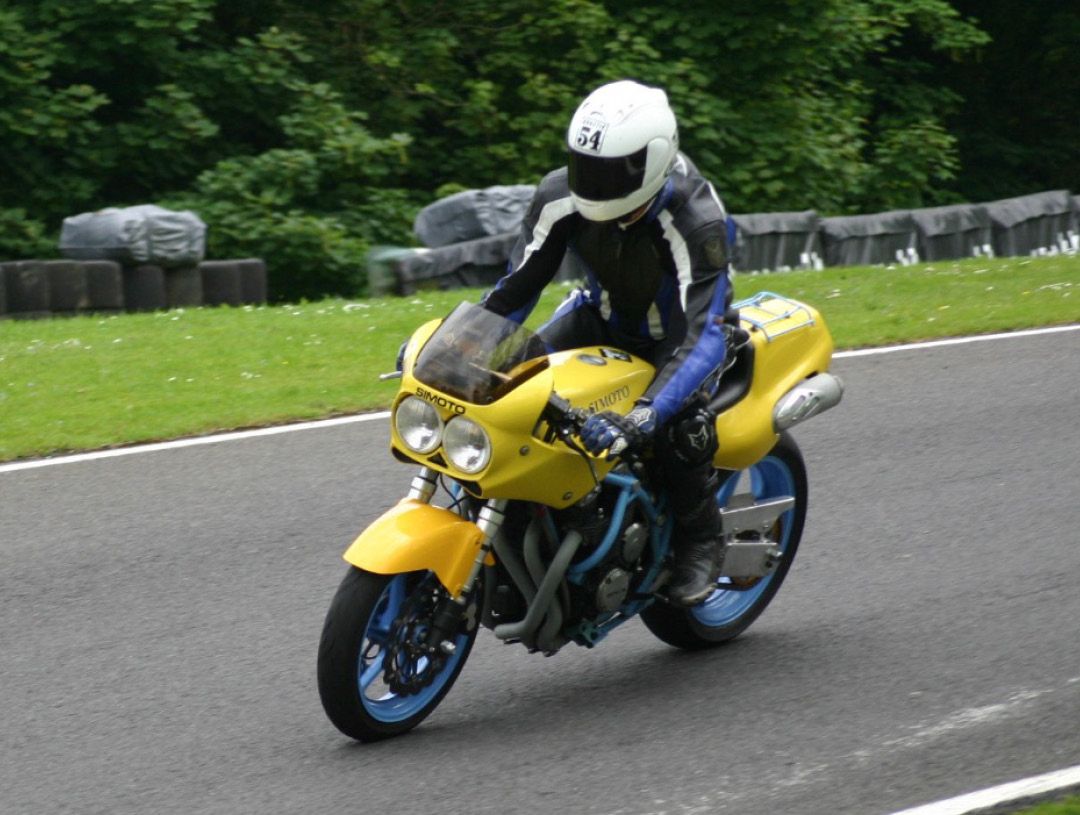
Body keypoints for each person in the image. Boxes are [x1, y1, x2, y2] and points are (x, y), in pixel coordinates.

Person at [479, 79, 737, 607]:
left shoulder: (695, 216)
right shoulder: (559, 197)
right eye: (584, 167)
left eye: (609, 172)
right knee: (506, 385)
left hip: (682, 340)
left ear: (653, 160)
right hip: (598, 318)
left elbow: (704, 329)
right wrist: (455, 352)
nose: (592, 185)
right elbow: (514, 292)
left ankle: (702, 539)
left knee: (677, 429)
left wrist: (645, 414)